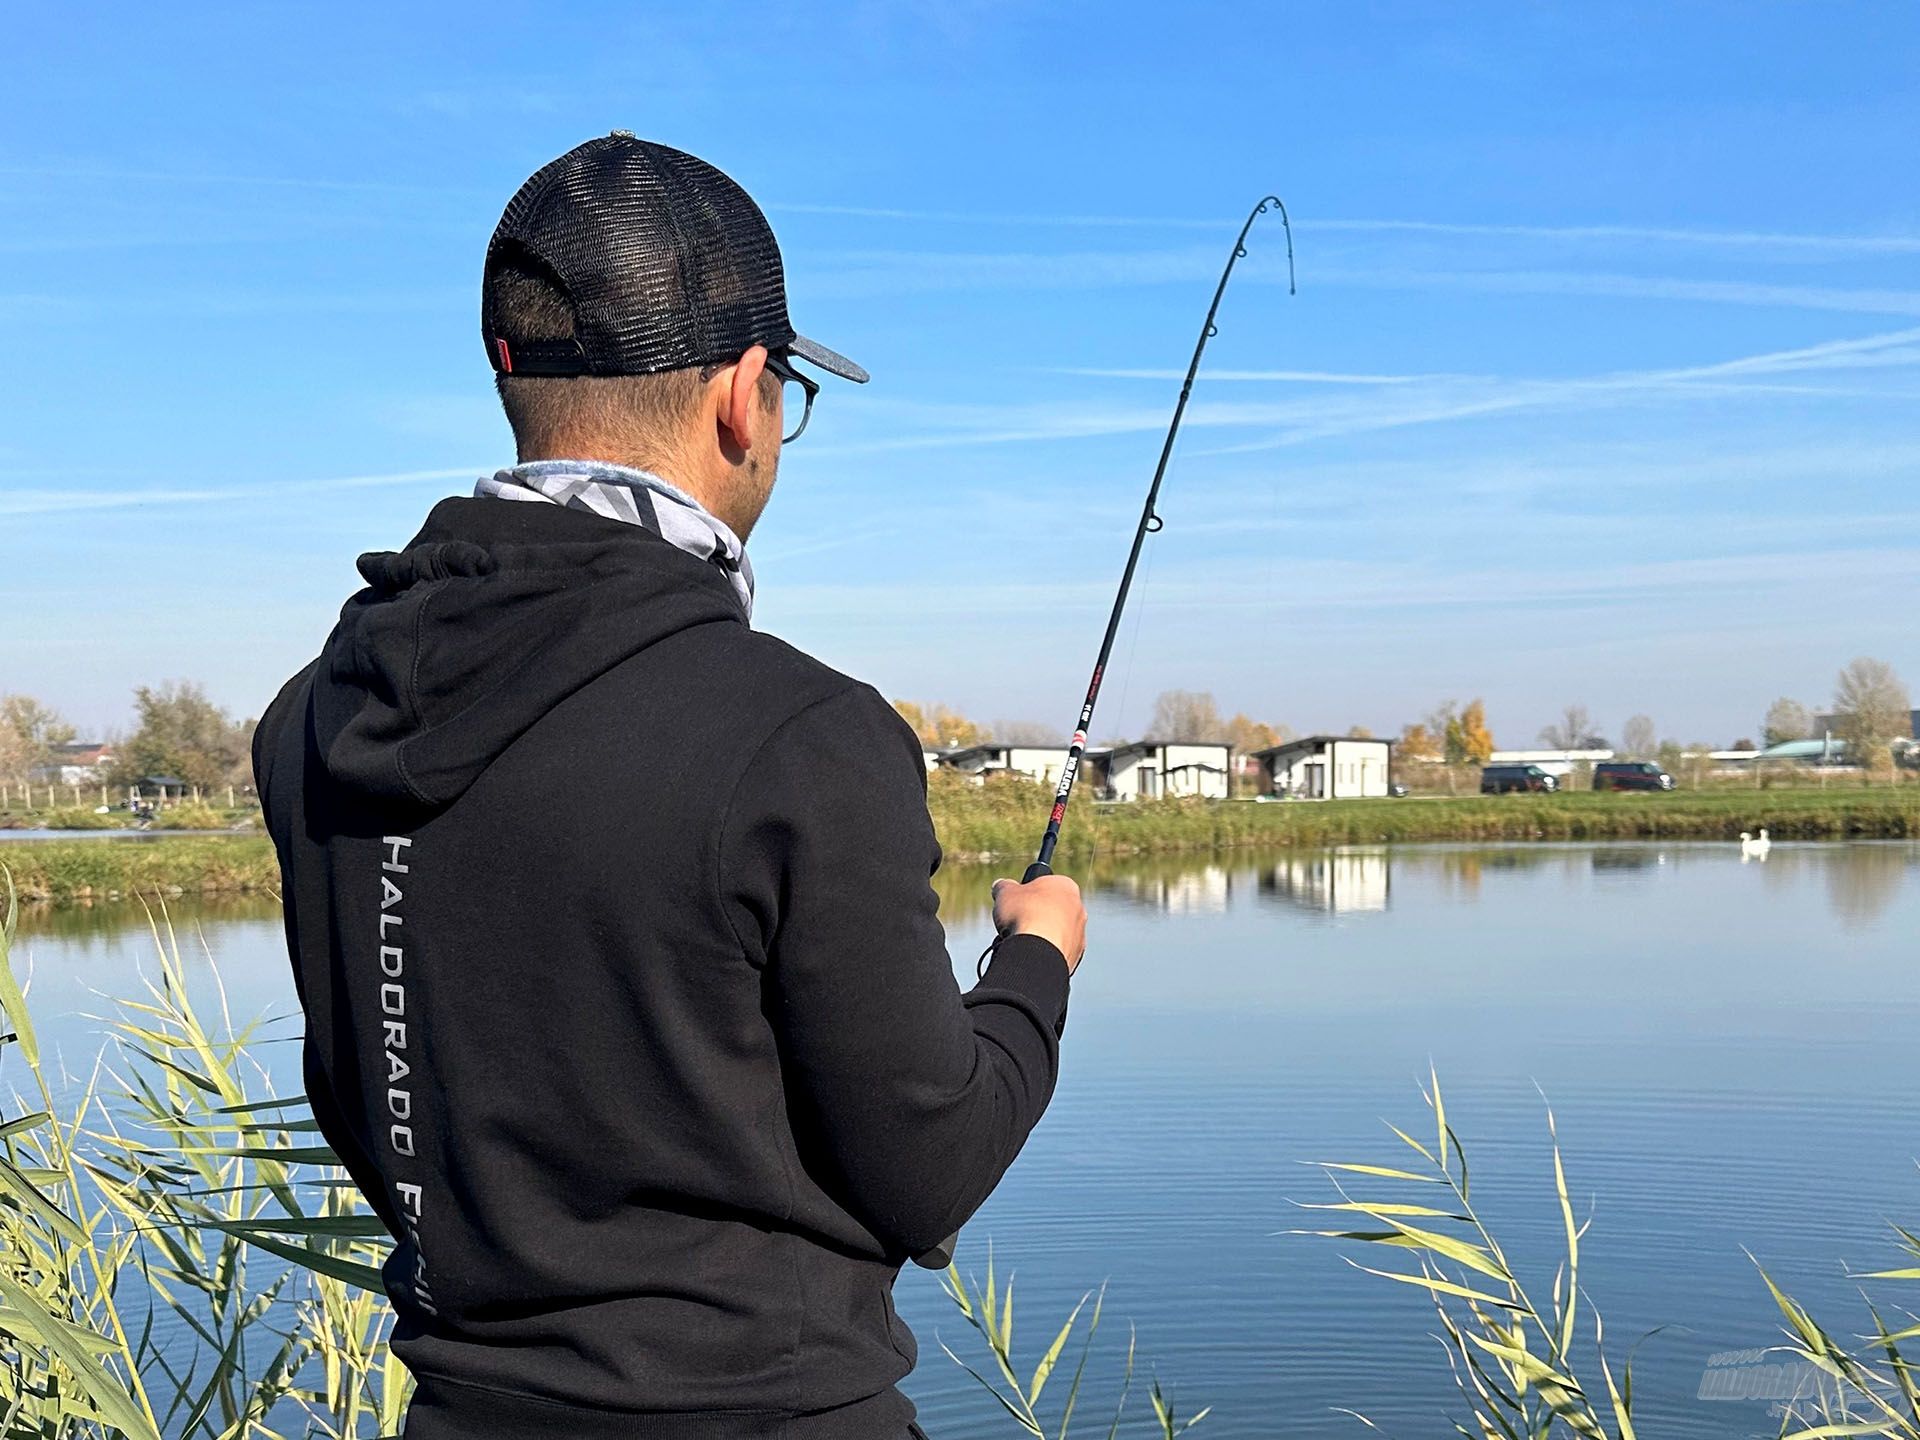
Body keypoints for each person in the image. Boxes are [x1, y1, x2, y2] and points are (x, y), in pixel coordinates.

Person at [253, 132, 1087, 1440]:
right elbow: (930, 1170)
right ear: (746, 397)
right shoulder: (806, 738)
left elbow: (372, 1103)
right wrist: (1038, 961)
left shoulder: (311, 722)